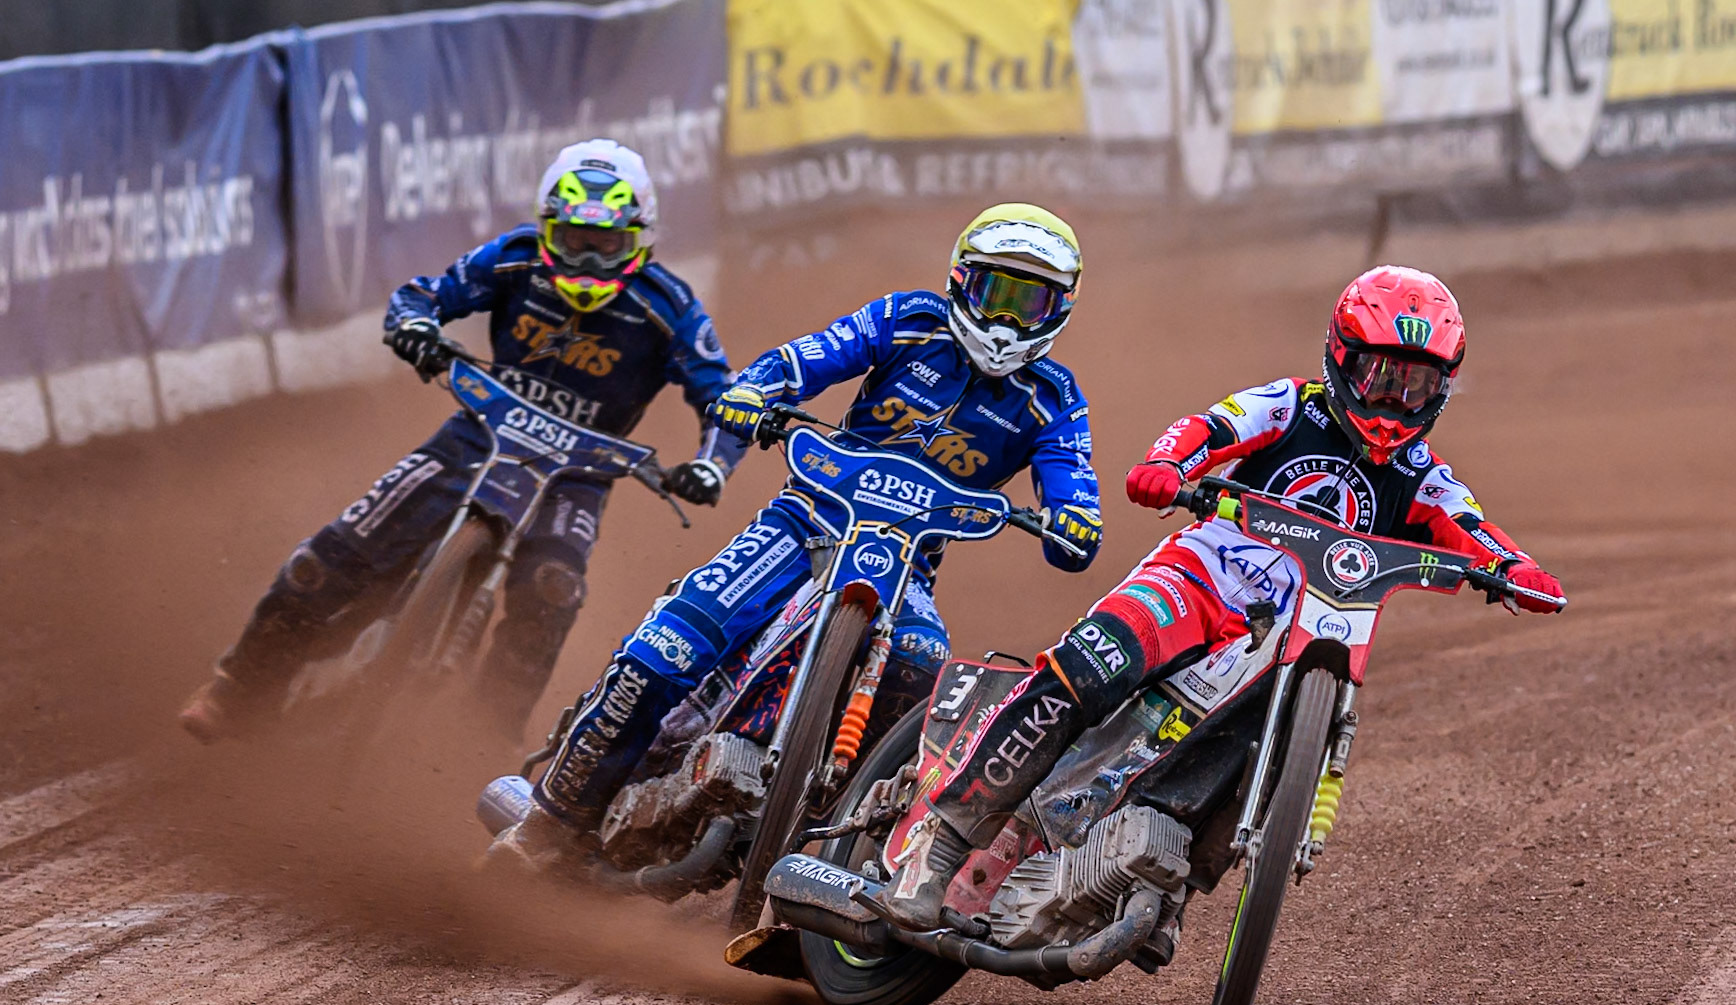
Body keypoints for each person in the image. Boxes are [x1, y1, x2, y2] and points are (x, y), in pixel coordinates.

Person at [881, 264, 1567, 929]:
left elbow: (1473, 529)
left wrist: (1516, 570)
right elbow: (1212, 427)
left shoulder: (1421, 474)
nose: (1393, 400)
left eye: (1415, 386)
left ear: (1441, 390)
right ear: (1341, 358)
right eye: (1379, 377)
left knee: (1268, 735)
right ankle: (935, 850)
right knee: (1090, 669)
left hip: (1285, 638)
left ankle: (1161, 883)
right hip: (1200, 581)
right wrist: (1167, 464)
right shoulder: (1294, 404)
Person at [488, 202, 1105, 871]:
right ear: (960, 281)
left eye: (1029, 301)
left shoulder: (1055, 397)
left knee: (925, 668)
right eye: (996, 293)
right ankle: (550, 823)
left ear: (1061, 308)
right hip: (804, 522)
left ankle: (835, 848)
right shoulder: (908, 321)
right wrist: (757, 390)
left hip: (905, 566)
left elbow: (1072, 476)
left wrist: (1075, 517)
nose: (1006, 320)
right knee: (663, 648)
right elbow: (814, 354)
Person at [179, 139, 740, 743]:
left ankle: (481, 749)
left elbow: (726, 401)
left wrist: (710, 468)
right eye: (575, 239)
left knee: (553, 592)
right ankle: (237, 688)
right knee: (327, 558)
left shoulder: (670, 307)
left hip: (574, 475)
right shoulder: (514, 258)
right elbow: (421, 295)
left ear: (640, 236)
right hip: (475, 437)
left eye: (607, 244)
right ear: (548, 227)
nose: (588, 261)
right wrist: (417, 328)